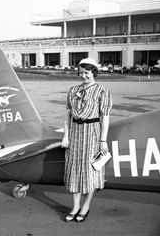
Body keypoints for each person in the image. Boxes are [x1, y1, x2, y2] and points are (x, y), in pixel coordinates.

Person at [61, 57, 112, 222]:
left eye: (87, 73)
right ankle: (75, 206)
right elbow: (68, 114)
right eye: (81, 73)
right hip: (75, 133)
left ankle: (86, 205)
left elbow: (105, 117)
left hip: (92, 133)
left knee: (91, 170)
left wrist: (102, 140)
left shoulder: (102, 91)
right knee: (74, 169)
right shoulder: (72, 90)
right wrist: (65, 136)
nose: (83, 76)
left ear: (94, 72)